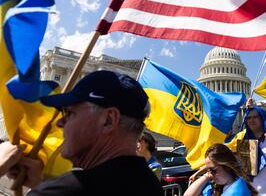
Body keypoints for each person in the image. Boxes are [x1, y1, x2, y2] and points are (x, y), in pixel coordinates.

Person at [8, 70, 163, 195]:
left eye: (69, 113)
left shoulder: (66, 190)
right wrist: (40, 184)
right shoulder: (151, 185)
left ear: (108, 120)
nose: (59, 122)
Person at [184, 143, 257, 196]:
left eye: (214, 170)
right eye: (208, 170)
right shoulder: (219, 185)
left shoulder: (238, 190)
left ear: (227, 166)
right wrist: (207, 176)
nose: (211, 174)